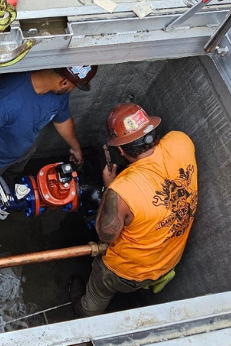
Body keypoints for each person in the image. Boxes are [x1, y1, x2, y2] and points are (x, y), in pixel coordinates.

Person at [70, 103, 198, 317]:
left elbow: (106, 235)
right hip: (169, 260)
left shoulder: (122, 191)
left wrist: (109, 187)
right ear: (152, 130)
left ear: (120, 150)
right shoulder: (181, 141)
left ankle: (83, 312)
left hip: (125, 271)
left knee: (99, 290)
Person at [0, 66, 98, 190]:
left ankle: (8, 188)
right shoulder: (3, 99)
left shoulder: (59, 94)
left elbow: (62, 119)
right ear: (64, 82)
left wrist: (75, 148)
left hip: (23, 152)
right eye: (74, 86)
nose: (73, 89)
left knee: (10, 180)